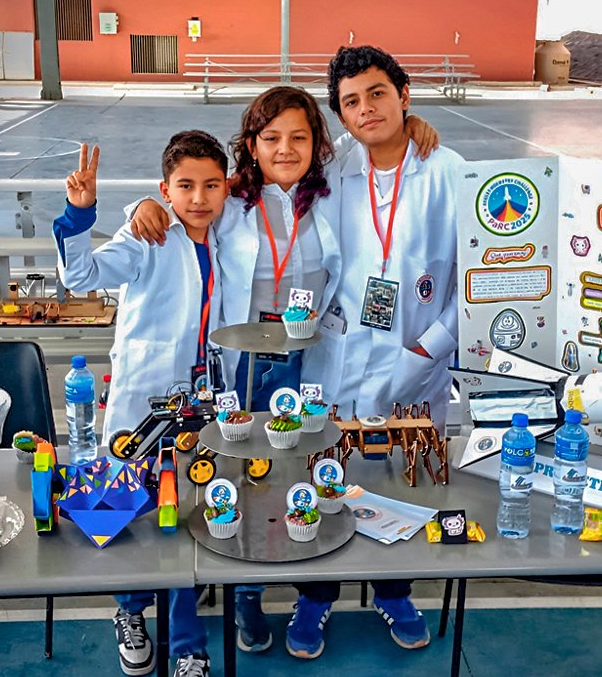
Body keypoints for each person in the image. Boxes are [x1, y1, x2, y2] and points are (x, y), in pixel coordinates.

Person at [128, 87, 440, 657]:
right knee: (242, 478)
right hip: (243, 369)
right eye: (271, 138)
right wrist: (139, 209)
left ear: (318, 144)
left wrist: (406, 124)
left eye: (300, 137)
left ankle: (352, 591)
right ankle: (243, 592)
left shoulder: (335, 187)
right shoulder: (231, 200)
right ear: (251, 145)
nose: (286, 148)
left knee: (309, 477)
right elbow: (178, 209)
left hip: (312, 365)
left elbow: (373, 140)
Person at [287, 45, 465, 658]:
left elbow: (479, 282)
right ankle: (315, 598)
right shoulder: (333, 170)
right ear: (340, 113)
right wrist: (145, 205)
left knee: (404, 485)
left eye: (378, 94)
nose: (366, 110)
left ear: (404, 95)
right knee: (328, 478)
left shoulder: (449, 172)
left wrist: (427, 348)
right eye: (351, 102)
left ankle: (394, 591)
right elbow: (241, 188)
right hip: (338, 359)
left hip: (417, 364)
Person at [54, 132, 228, 677]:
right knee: (129, 507)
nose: (198, 198)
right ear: (164, 189)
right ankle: (130, 611)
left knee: (187, 516)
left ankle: (186, 645)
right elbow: (80, 276)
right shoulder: (147, 234)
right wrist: (80, 214)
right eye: (184, 186)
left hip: (204, 400)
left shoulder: (228, 232)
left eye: (211, 185)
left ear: (228, 189)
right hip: (143, 399)